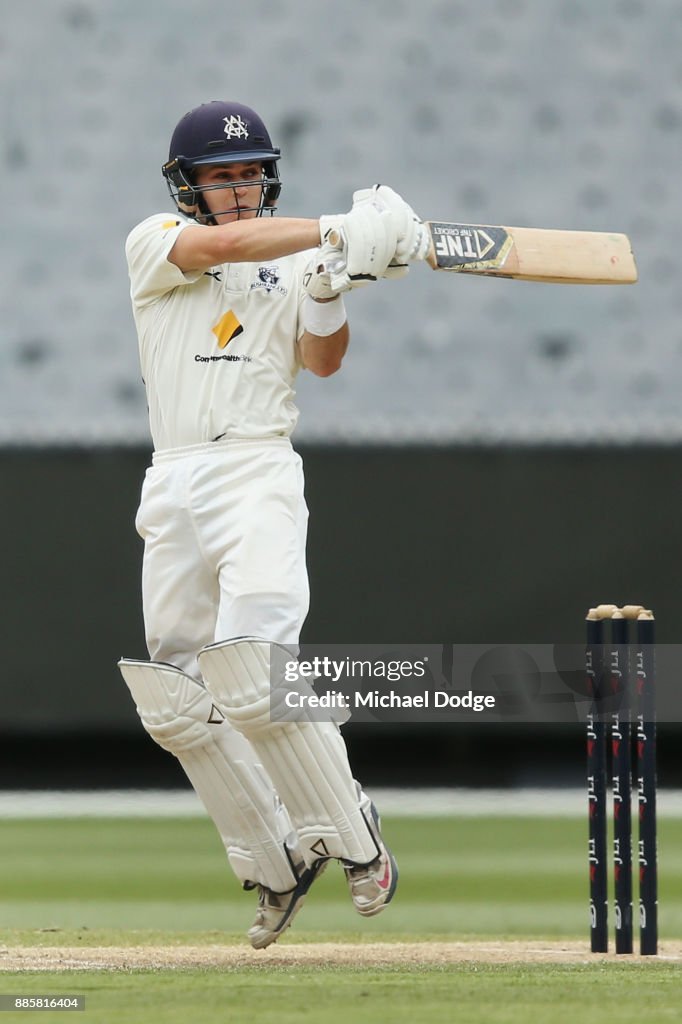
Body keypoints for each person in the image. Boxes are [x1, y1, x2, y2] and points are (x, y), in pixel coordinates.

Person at [118, 100, 430, 948]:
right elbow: (222, 250)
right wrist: (334, 231)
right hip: (174, 475)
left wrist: (329, 287)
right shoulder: (156, 241)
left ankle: (354, 836)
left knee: (256, 671)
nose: (238, 189)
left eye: (249, 172)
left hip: (256, 468)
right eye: (221, 176)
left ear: (268, 175)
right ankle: (274, 861)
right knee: (178, 700)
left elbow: (323, 362)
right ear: (187, 187)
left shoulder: (295, 258)